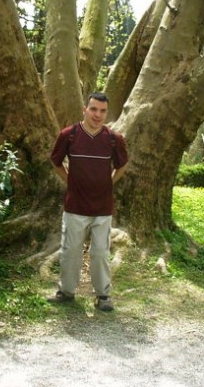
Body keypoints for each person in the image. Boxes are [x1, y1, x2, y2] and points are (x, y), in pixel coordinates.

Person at [48, 92, 128, 312]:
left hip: (103, 208)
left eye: (102, 111)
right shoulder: (69, 135)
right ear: (85, 110)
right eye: (93, 109)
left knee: (101, 252)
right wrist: (70, 181)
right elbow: (55, 161)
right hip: (75, 205)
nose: (98, 115)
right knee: (70, 250)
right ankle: (66, 292)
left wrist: (110, 183)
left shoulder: (114, 139)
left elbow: (122, 165)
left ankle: (103, 295)